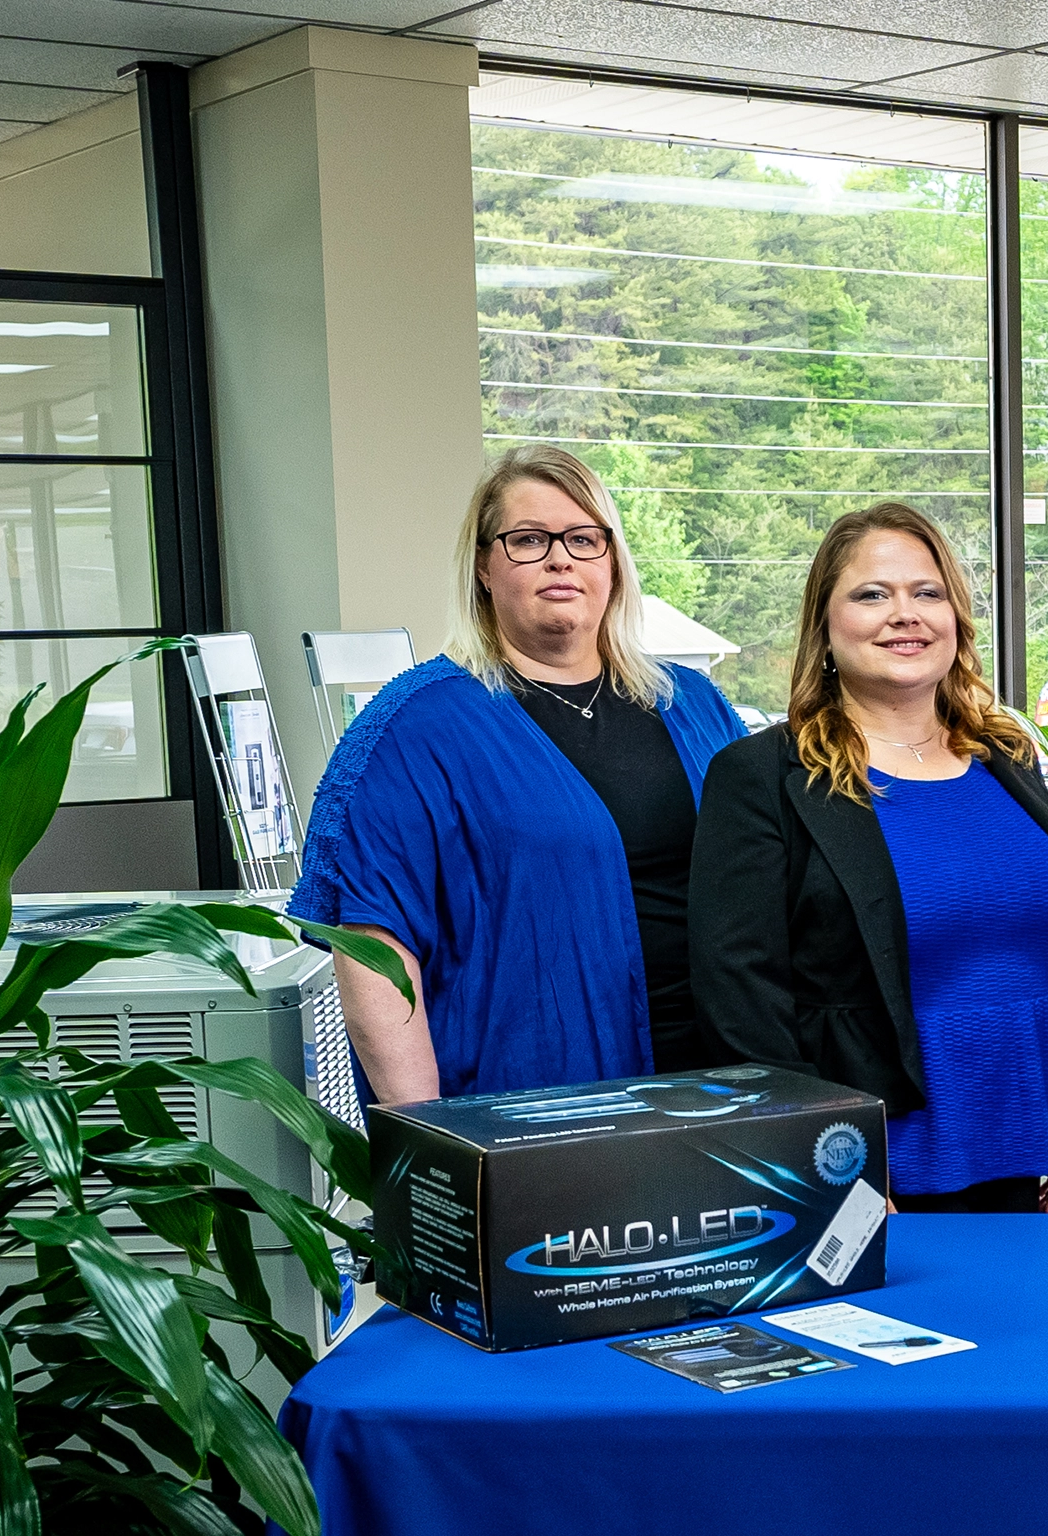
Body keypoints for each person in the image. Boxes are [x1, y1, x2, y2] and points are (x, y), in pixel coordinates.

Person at [689, 503, 1048, 1214]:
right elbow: (740, 999)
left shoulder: (1007, 758)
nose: (905, 615)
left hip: (1024, 1144)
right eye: (871, 594)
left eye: (927, 593)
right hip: (871, 1167)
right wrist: (819, 1157)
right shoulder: (762, 775)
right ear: (825, 628)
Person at [290, 444, 747, 1103]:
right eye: (529, 540)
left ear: (613, 562)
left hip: (722, 1091)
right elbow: (374, 955)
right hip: (536, 1111)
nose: (560, 558)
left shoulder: (694, 704)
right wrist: (434, 1154)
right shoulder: (412, 729)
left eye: (584, 539)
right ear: (482, 564)